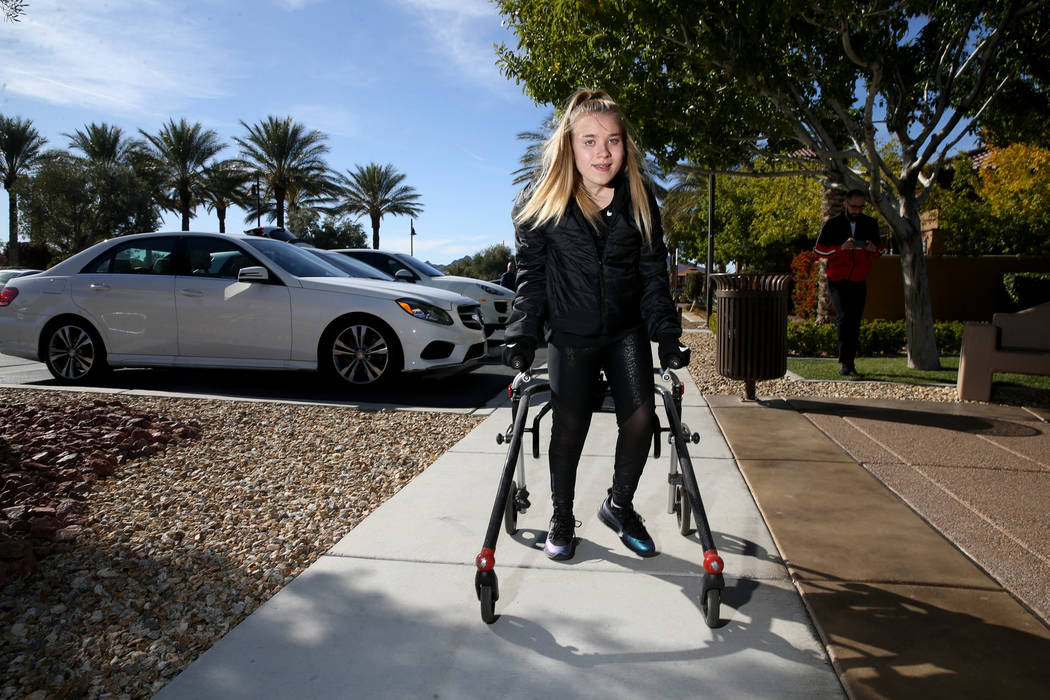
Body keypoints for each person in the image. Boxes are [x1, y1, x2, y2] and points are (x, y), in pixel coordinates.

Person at [501, 88, 690, 561]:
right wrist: (523, 335)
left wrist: (666, 336)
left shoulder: (640, 202)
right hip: (570, 335)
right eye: (589, 140)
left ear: (626, 145)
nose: (602, 152)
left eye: (612, 140)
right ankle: (561, 515)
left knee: (643, 417)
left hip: (624, 333)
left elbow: (652, 279)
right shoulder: (542, 204)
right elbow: (532, 280)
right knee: (569, 425)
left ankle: (618, 505)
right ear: (568, 145)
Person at [814, 189, 885, 376]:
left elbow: (880, 251)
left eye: (861, 207)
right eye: (854, 206)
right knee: (844, 317)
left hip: (858, 279)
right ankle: (845, 363)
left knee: (855, 321)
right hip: (837, 279)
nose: (857, 210)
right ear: (845, 204)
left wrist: (872, 249)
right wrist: (840, 248)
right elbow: (819, 251)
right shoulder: (833, 224)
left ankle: (850, 363)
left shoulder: (870, 223)